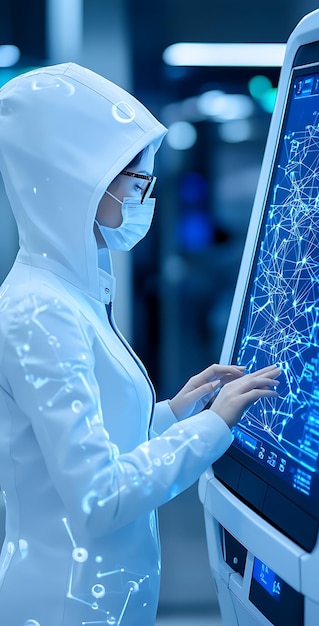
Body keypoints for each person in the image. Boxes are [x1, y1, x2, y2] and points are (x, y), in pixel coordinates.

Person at [0, 63, 280, 626]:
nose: (142, 194)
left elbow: (96, 444)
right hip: (64, 605)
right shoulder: (38, 310)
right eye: (135, 178)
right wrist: (213, 427)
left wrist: (174, 414)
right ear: (78, 178)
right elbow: (99, 498)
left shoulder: (67, 294)